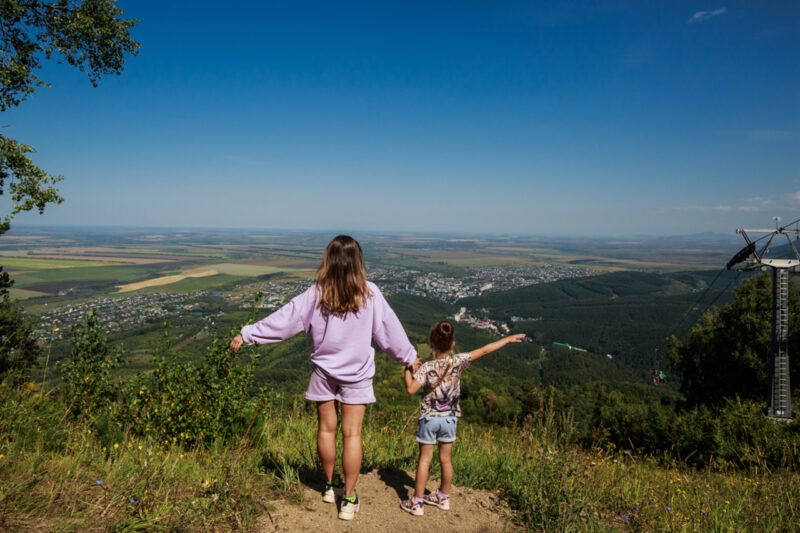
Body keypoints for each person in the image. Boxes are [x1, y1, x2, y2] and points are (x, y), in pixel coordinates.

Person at [230, 235, 420, 521]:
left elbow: (285, 320)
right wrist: (409, 357)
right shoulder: (370, 294)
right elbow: (389, 333)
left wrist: (248, 334)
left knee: (326, 431)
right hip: (357, 376)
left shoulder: (317, 293)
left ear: (328, 261)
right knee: (352, 435)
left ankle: (330, 487)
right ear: (358, 262)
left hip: (323, 373)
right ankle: (349, 499)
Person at [400, 320, 525, 516]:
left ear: (431, 344)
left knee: (425, 460)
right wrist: (506, 340)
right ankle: (443, 497)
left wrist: (408, 370)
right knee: (446, 459)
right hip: (450, 418)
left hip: (429, 418)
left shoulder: (426, 368)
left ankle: (417, 503)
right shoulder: (458, 361)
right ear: (452, 344)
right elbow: (484, 350)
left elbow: (410, 389)